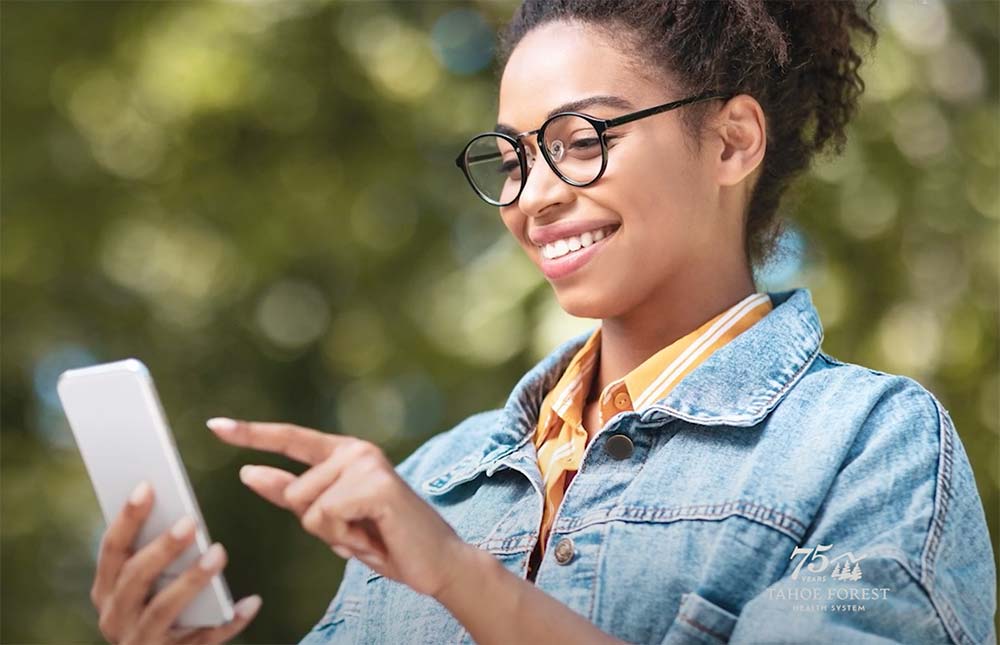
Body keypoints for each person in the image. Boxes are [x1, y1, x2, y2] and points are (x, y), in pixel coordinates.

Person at [86, 1, 997, 644]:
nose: (534, 196)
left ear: (731, 141)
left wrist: (460, 575)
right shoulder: (439, 479)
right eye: (513, 156)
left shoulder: (870, 443)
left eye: (582, 140)